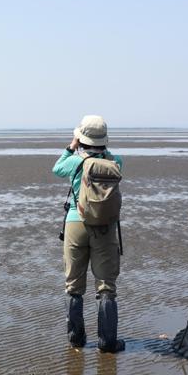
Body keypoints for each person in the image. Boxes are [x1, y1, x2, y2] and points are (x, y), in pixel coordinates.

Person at [52, 115, 125, 353]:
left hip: (76, 223)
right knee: (106, 286)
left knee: (73, 285)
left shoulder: (74, 161)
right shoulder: (115, 162)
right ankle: (107, 342)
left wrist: (72, 146)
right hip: (105, 227)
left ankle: (76, 339)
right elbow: (110, 159)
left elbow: (56, 168)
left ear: (81, 138)